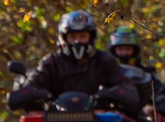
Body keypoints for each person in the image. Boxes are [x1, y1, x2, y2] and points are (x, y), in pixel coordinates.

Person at [11, 9, 141, 112]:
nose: (77, 41)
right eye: (73, 36)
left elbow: (128, 90)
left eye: (82, 36)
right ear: (64, 38)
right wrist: (38, 94)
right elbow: (31, 87)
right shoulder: (51, 62)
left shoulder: (103, 60)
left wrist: (109, 94)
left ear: (91, 37)